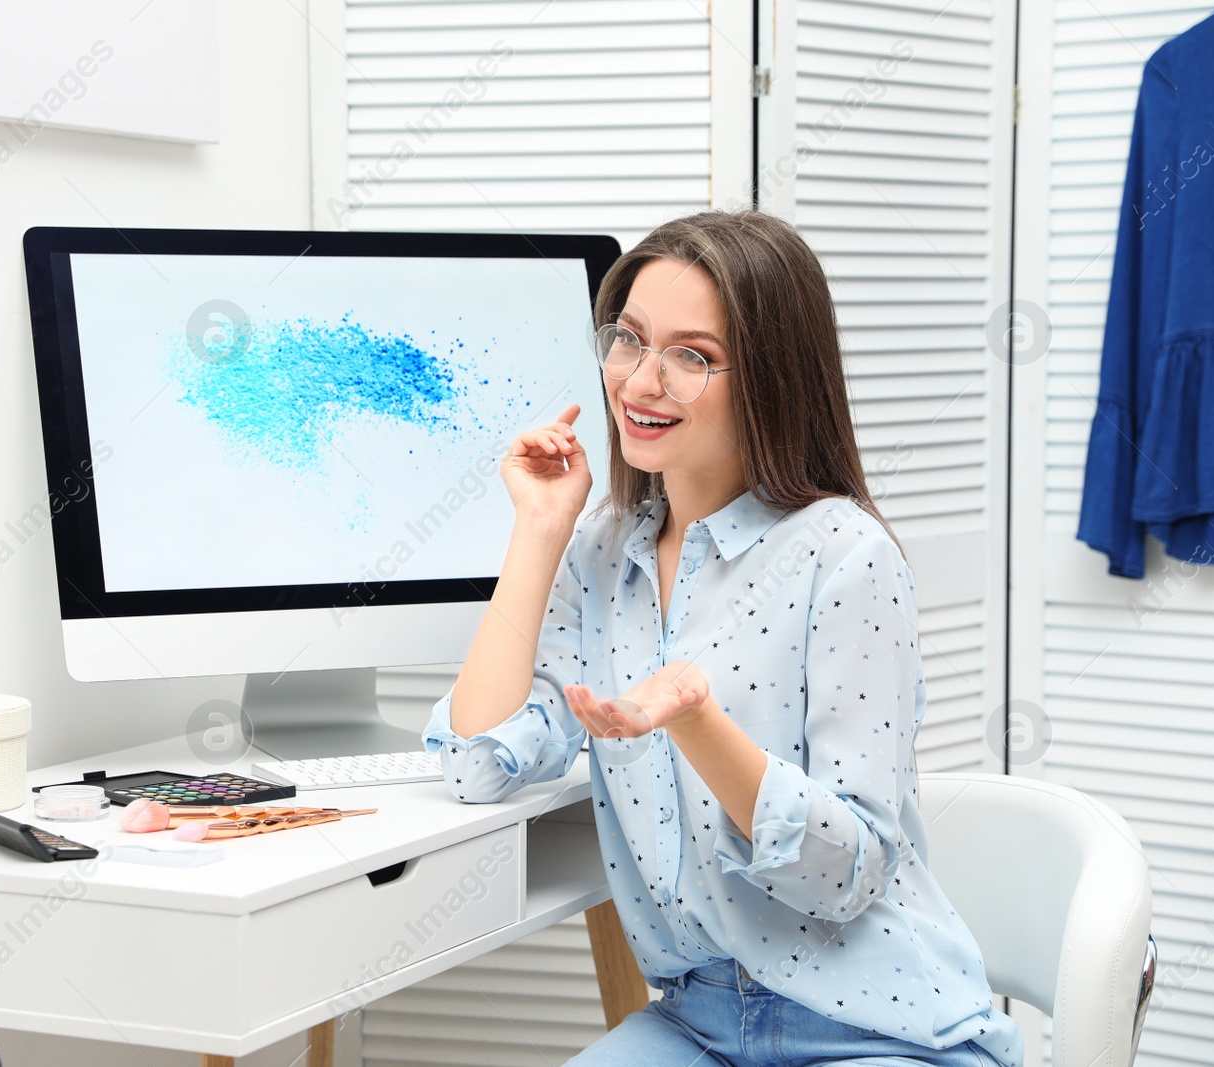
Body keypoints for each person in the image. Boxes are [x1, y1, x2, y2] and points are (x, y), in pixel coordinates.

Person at [422, 211, 1023, 1067]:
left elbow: (847, 873)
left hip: (880, 1028)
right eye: (628, 340)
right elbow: (475, 764)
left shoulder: (845, 557)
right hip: (700, 1020)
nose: (640, 381)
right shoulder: (601, 549)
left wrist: (695, 719)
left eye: (692, 357)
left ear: (772, 378)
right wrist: (538, 532)